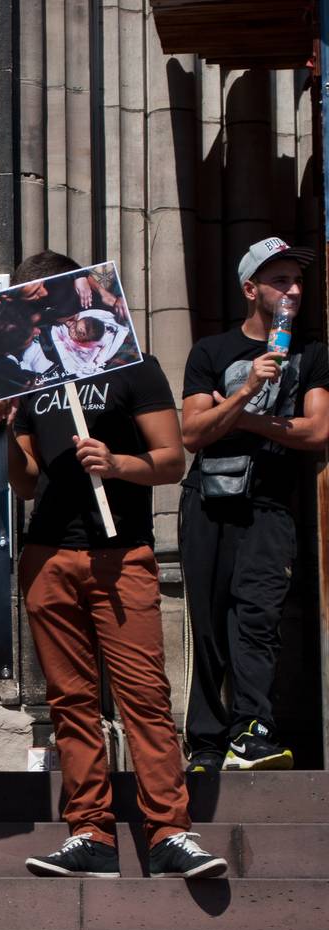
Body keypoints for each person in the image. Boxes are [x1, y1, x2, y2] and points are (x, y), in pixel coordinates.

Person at [0, 250, 226, 880]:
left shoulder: (133, 366)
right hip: (49, 555)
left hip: (122, 556)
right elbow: (29, 485)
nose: (34, 314)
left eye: (41, 299)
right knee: (71, 700)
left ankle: (170, 831)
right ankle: (89, 832)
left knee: (144, 696)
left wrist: (116, 463)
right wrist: (7, 435)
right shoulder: (30, 378)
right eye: (22, 303)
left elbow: (171, 461)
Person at [179, 237, 329, 772]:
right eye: (279, 281)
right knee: (209, 623)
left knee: (258, 618)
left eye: (297, 281)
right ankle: (205, 742)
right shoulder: (212, 352)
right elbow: (192, 432)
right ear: (251, 289)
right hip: (211, 502)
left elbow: (316, 431)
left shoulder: (311, 354)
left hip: (269, 506)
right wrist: (245, 392)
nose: (292, 291)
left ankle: (253, 731)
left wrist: (242, 418)